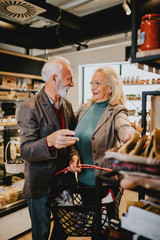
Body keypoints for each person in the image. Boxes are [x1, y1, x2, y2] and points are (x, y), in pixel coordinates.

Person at [16, 56, 80, 240]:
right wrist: (48, 142)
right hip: (40, 184)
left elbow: (72, 140)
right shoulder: (28, 107)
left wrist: (73, 155)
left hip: (65, 181)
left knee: (65, 228)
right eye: (69, 79)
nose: (73, 83)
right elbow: (26, 150)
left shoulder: (67, 105)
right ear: (54, 79)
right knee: (41, 233)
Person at [71, 65, 138, 208]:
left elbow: (123, 125)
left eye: (98, 83)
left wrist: (129, 135)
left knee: (105, 227)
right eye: (92, 83)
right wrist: (74, 154)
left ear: (111, 88)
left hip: (106, 184)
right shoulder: (84, 109)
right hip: (83, 181)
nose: (93, 87)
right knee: (89, 226)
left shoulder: (116, 110)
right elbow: (73, 138)